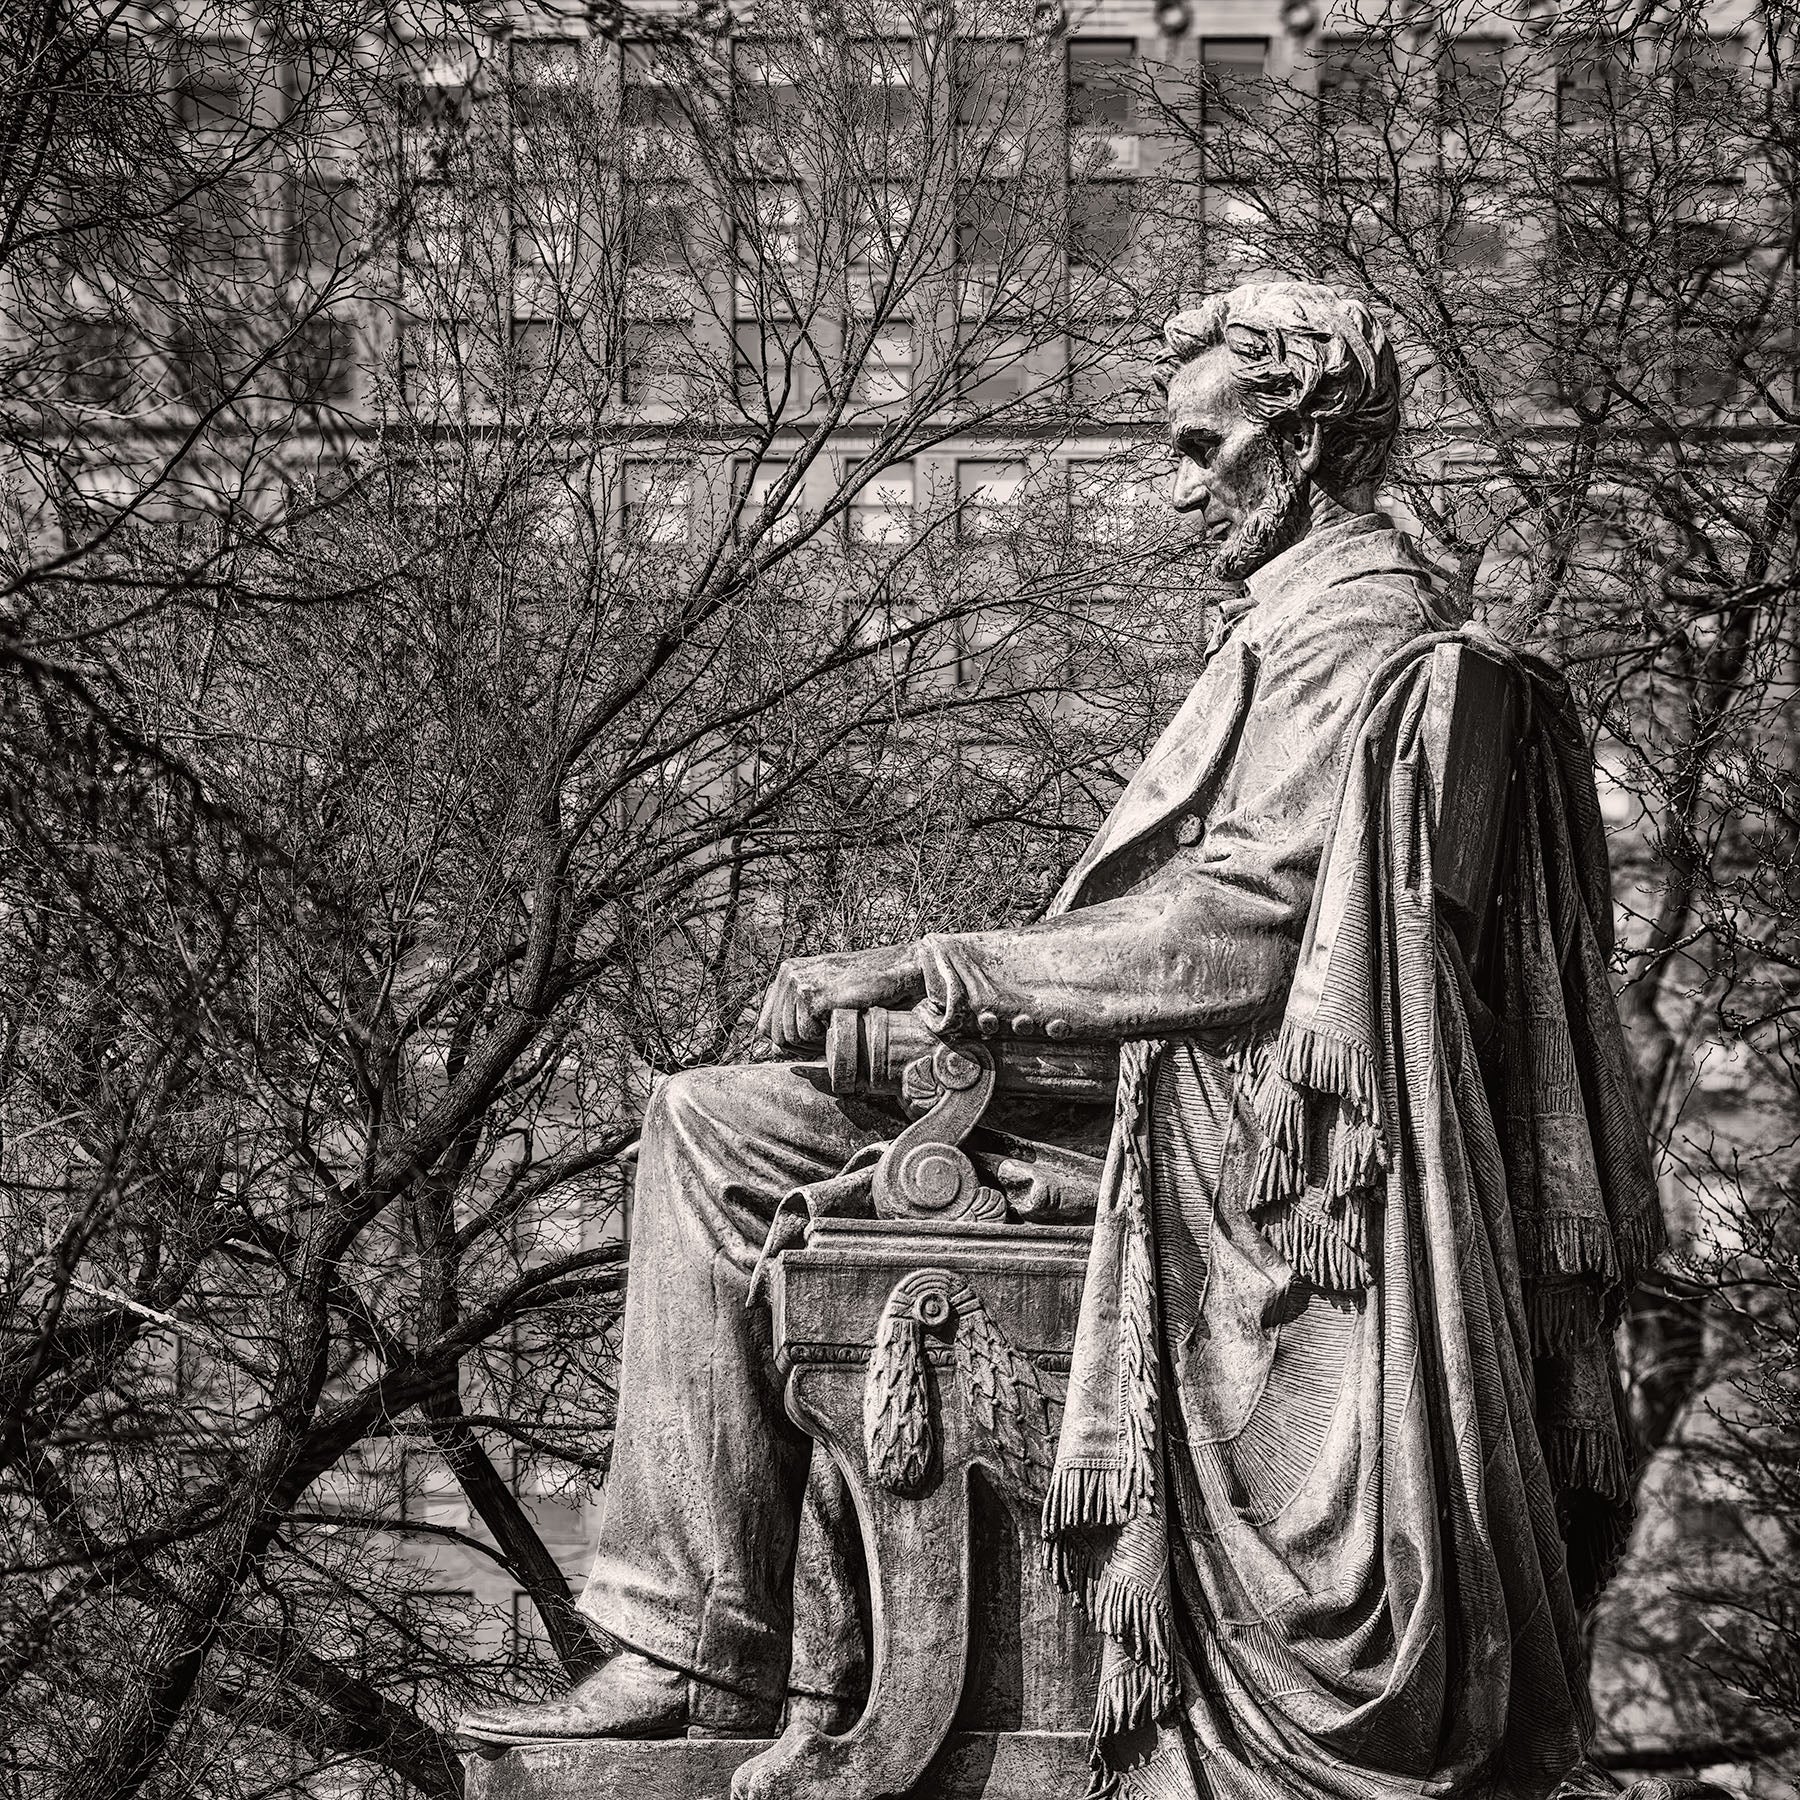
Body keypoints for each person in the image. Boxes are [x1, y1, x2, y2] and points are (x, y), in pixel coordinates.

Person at [457, 285, 1653, 1800]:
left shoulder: (1357, 628)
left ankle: (691, 1654)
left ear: (1300, 442)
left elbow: (1247, 933)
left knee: (714, 1127)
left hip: (1224, 1130)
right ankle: (700, 1643)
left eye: (1198, 445)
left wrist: (937, 970)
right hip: (1151, 1082)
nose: (1172, 487)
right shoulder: (1293, 627)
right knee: (729, 1110)